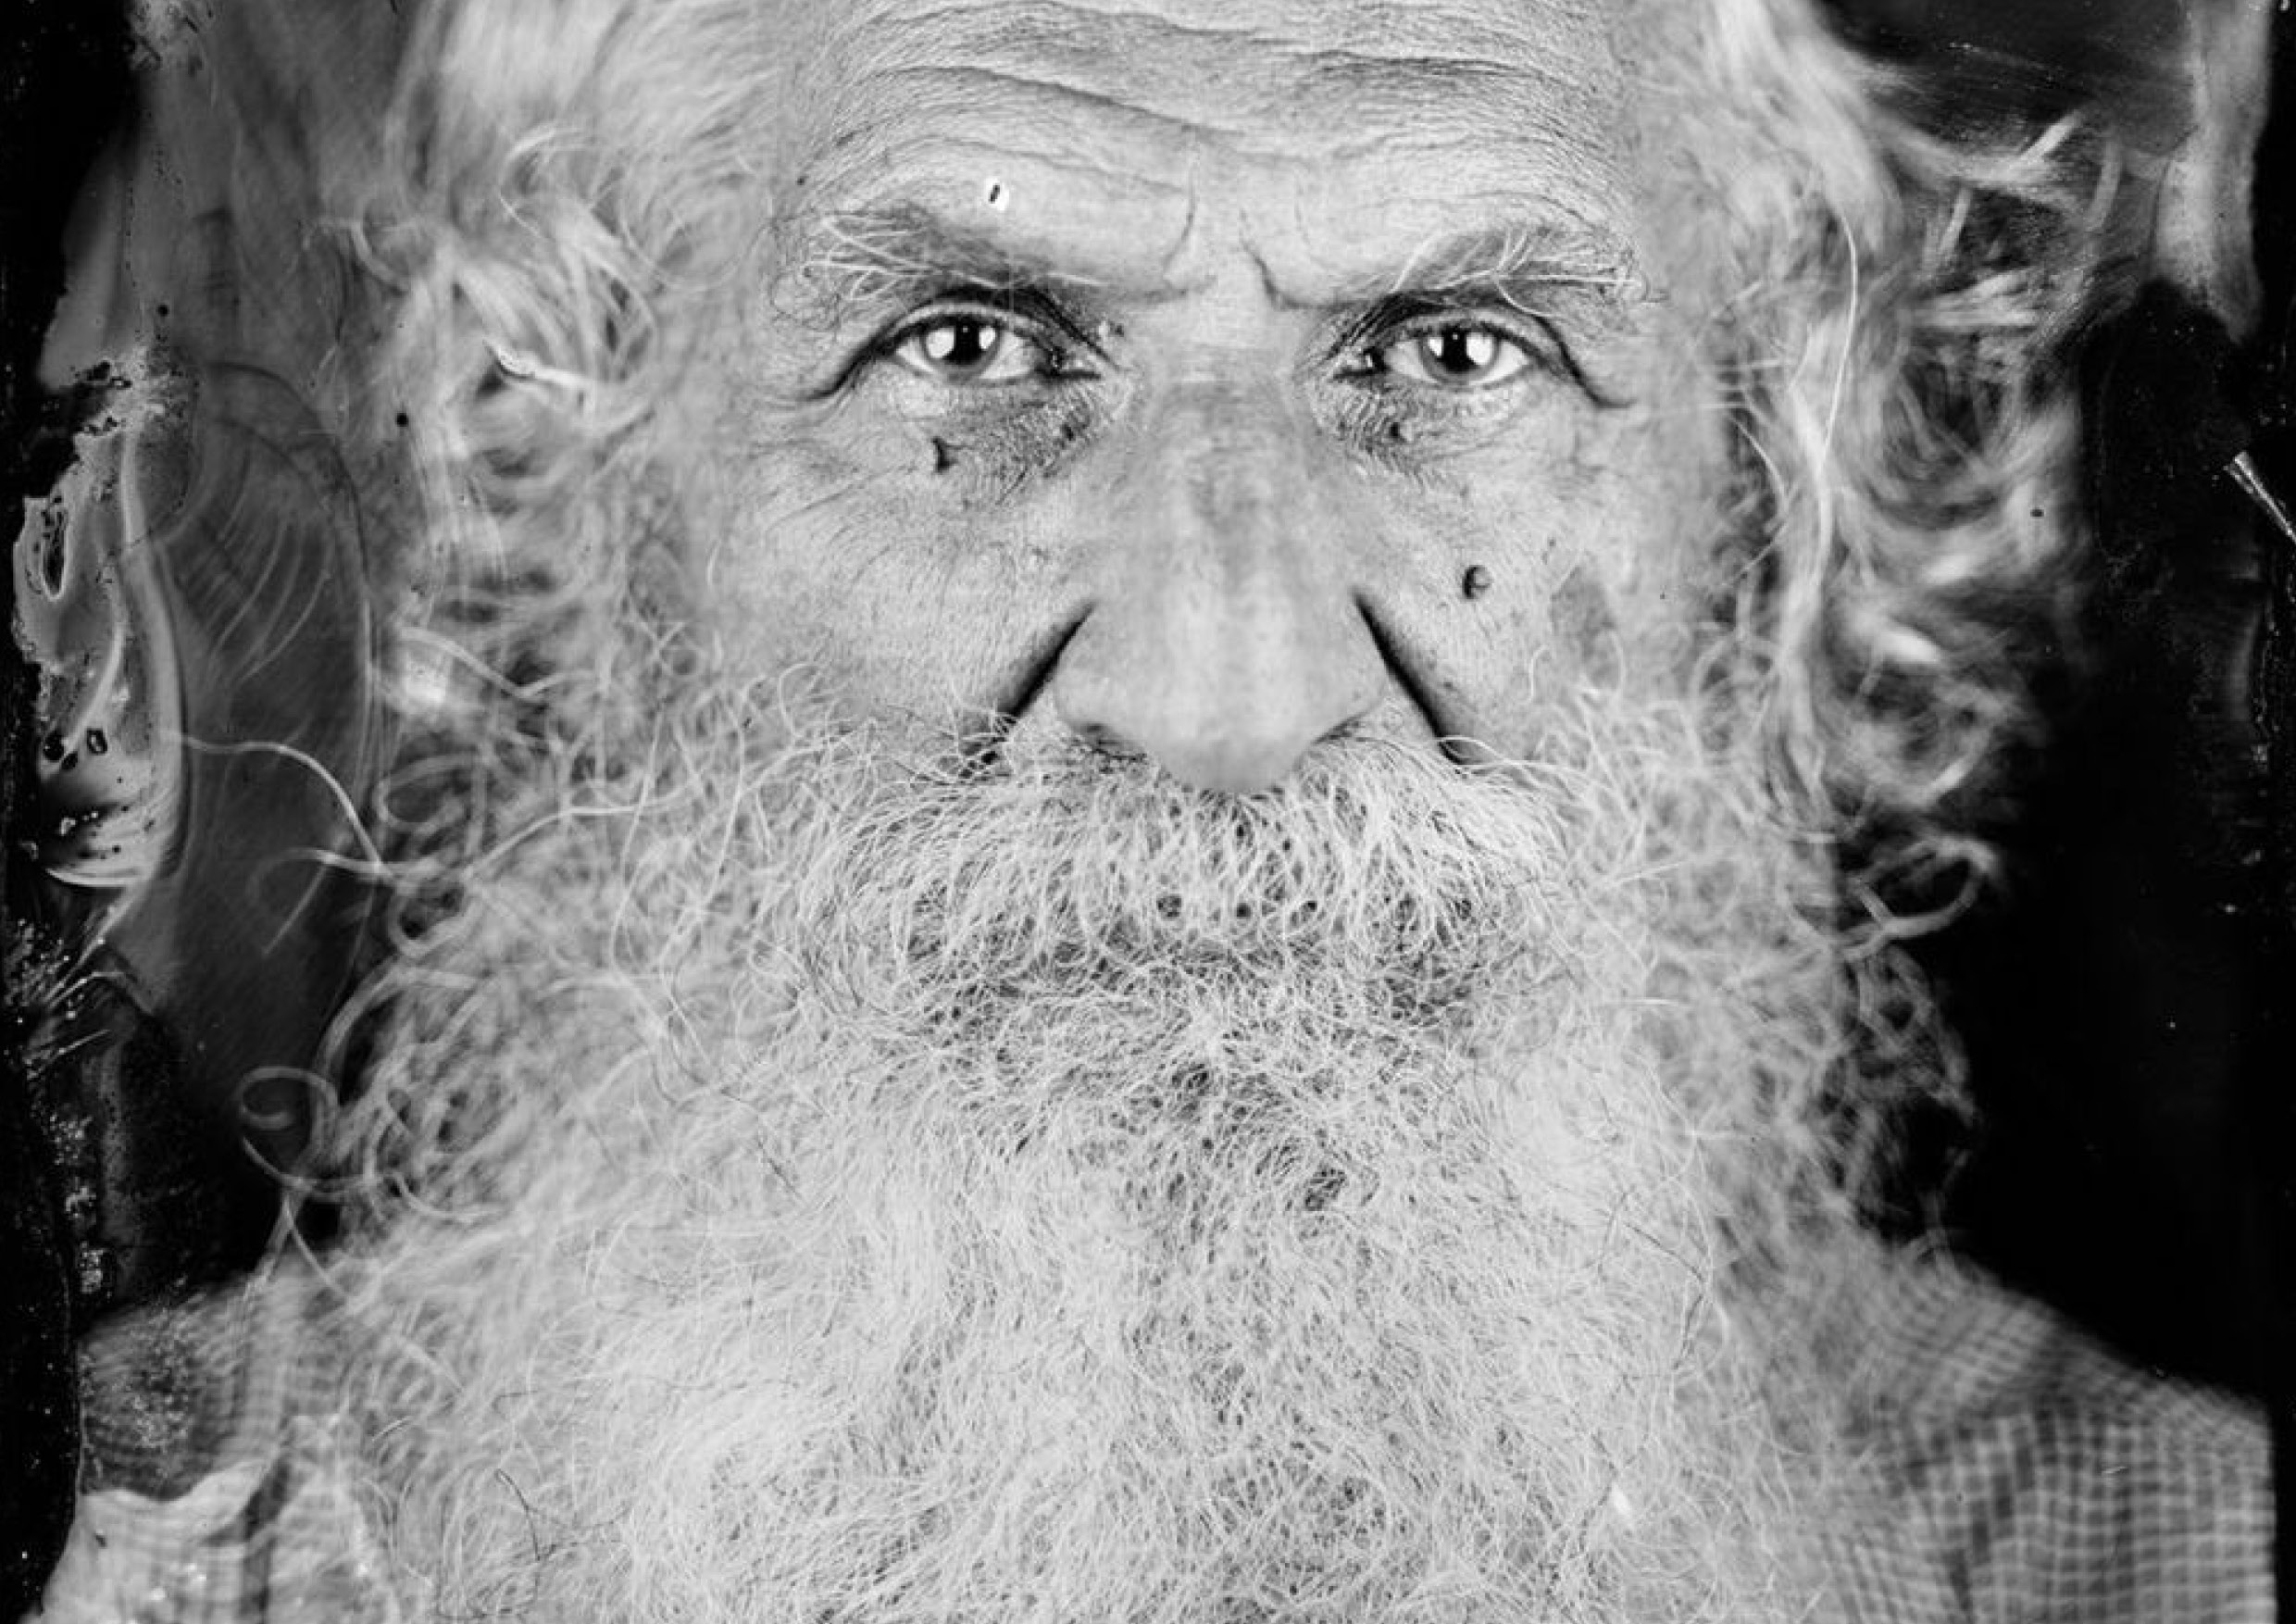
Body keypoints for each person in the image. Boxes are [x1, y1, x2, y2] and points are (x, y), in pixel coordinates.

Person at [11, 0, 2277, 1618]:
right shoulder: (120, 1548)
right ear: (597, 508)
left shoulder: (2182, 1571)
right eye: (967, 347)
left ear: (1751, 514)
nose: (1225, 699)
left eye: (1455, 352)